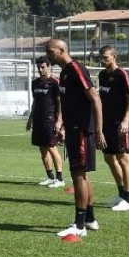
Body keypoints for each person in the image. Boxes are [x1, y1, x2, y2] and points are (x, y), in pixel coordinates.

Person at [45, 39, 105, 238]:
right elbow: (66, 101)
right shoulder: (63, 73)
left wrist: (98, 131)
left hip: (81, 130)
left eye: (50, 51)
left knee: (78, 174)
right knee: (82, 175)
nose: (48, 55)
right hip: (72, 129)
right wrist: (62, 124)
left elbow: (95, 98)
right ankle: (90, 219)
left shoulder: (76, 68)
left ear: (62, 50)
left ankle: (79, 225)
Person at [98, 45, 129, 212]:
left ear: (114, 57)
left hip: (120, 124)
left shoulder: (123, 75)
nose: (103, 60)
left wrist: (126, 121)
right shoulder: (102, 75)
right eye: (101, 57)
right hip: (106, 124)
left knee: (123, 159)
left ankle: (128, 199)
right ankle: (121, 194)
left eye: (106, 57)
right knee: (108, 158)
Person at [27, 57, 65, 188]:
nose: (40, 69)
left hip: (50, 120)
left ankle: (60, 178)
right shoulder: (35, 83)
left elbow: (60, 102)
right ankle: (50, 176)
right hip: (38, 120)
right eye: (38, 67)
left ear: (49, 66)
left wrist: (59, 120)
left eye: (43, 67)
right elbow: (35, 102)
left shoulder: (55, 82)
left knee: (52, 148)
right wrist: (30, 118)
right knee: (42, 150)